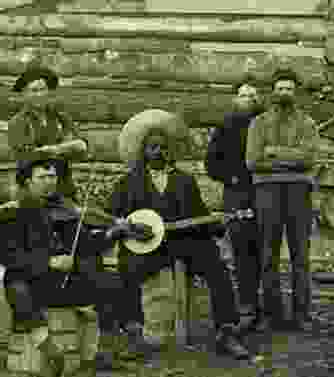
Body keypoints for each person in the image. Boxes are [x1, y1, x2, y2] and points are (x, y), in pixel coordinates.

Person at [108, 109, 250, 359]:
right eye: (153, 147)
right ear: (143, 151)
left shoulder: (185, 181)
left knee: (217, 268)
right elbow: (112, 216)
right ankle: (133, 334)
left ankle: (226, 332)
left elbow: (201, 214)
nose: (159, 152)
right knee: (127, 269)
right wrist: (125, 229)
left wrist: (218, 224)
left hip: (184, 242)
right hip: (147, 245)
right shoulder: (128, 182)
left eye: (164, 147)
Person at [0, 156, 151, 374]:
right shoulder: (12, 213)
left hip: (66, 284)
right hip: (34, 286)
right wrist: (50, 261)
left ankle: (105, 351)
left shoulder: (65, 211)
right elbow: (9, 257)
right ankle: (49, 350)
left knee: (115, 281)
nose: (50, 181)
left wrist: (113, 233)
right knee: (15, 283)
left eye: (52, 176)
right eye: (42, 177)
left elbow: (87, 246)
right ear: (27, 182)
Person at [245, 67, 320, 332]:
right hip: (267, 192)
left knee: (301, 256)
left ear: (296, 92)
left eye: (289, 88)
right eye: (280, 88)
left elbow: (309, 159)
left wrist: (274, 153)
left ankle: (302, 315)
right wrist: (292, 157)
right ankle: (271, 315)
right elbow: (253, 161)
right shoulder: (258, 123)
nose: (284, 93)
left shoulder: (307, 124)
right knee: (268, 254)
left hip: (299, 192)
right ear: (272, 92)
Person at [205, 79, 265, 326]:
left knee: (263, 248)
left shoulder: (264, 123)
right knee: (241, 247)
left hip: (264, 192)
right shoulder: (226, 125)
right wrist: (230, 176)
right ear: (235, 99)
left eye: (252, 95)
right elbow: (211, 163)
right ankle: (246, 306)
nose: (247, 99)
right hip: (237, 193)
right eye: (242, 95)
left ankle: (263, 304)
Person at [7, 64, 88, 202]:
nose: (39, 95)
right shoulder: (18, 122)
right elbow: (28, 156)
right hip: (33, 189)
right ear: (25, 94)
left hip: (64, 185)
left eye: (42, 89)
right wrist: (65, 148)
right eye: (34, 90)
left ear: (48, 92)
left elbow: (81, 148)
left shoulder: (60, 118)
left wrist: (54, 149)